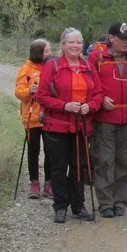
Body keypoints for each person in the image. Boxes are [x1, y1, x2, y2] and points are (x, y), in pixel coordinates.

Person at [36, 28, 103, 223]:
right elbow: (42, 97)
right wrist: (65, 106)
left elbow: (98, 94)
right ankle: (60, 206)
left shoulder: (88, 66)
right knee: (58, 167)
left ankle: (78, 205)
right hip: (57, 125)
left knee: (79, 167)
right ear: (63, 45)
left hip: (81, 126)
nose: (76, 46)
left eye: (79, 42)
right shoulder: (53, 66)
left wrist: (90, 106)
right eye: (71, 42)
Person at [88, 21, 127, 218]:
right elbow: (89, 83)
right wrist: (100, 98)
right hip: (105, 119)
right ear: (111, 38)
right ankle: (105, 202)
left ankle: (120, 201)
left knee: (125, 161)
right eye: (122, 38)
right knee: (105, 161)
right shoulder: (96, 57)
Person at [15, 38, 52, 199]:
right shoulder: (26, 68)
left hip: (50, 116)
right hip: (32, 116)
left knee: (51, 151)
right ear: (38, 52)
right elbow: (19, 92)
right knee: (33, 151)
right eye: (46, 51)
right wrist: (30, 90)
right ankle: (34, 182)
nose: (49, 53)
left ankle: (49, 183)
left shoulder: (52, 66)